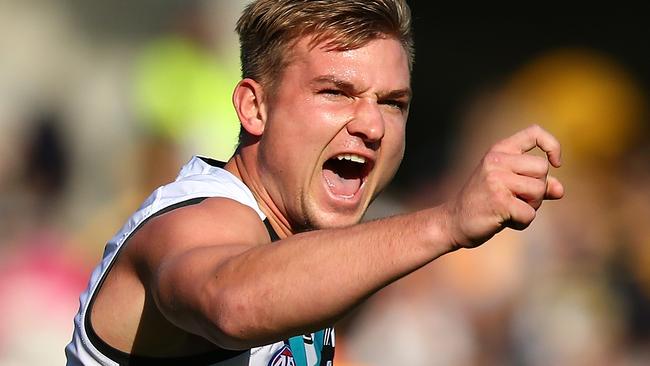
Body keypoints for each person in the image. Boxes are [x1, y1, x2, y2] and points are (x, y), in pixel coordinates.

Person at [65, 0, 564, 365]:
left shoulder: (301, 241)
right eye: (335, 92)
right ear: (254, 107)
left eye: (392, 102)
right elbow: (232, 302)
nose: (371, 126)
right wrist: (448, 222)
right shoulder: (196, 218)